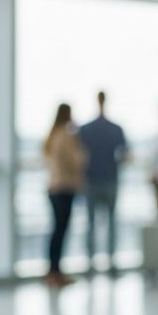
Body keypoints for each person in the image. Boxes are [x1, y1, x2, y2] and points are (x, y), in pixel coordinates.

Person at [78, 90, 130, 272]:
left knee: (92, 224)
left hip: (92, 181)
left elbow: (78, 156)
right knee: (111, 223)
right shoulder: (115, 129)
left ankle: (91, 263)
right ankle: (111, 262)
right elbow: (125, 155)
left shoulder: (85, 130)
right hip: (108, 180)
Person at [42, 103, 87, 288]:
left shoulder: (52, 135)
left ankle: (53, 272)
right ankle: (55, 273)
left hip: (54, 187)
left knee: (56, 231)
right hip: (64, 188)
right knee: (60, 231)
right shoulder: (66, 136)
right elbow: (76, 161)